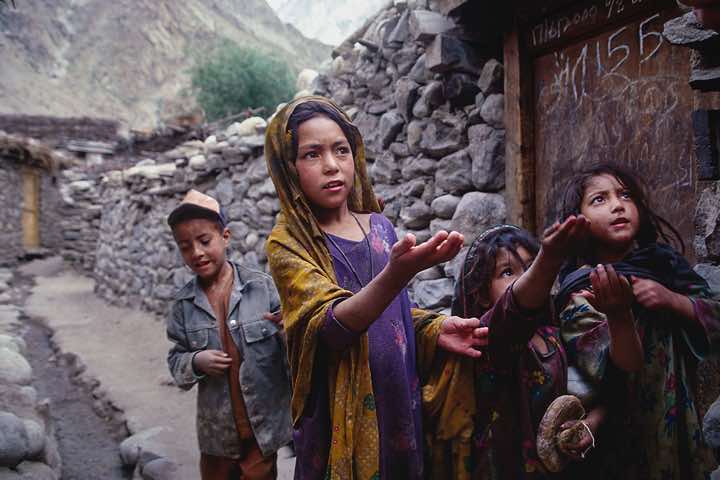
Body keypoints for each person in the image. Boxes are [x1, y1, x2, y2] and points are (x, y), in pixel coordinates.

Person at [264, 96, 488, 479]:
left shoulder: (380, 227)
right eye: (312, 155)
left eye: (341, 150)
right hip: (337, 416)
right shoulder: (289, 243)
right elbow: (331, 327)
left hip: (399, 398)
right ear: (287, 167)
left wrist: (433, 329)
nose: (332, 165)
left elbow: (395, 314)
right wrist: (396, 275)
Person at [555, 163, 720, 479]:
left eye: (625, 195)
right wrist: (618, 314)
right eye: (599, 199)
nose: (617, 205)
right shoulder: (580, 290)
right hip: (619, 434)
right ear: (579, 222)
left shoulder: (665, 268)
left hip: (678, 420)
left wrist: (673, 300)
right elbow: (606, 371)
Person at [446, 219, 602, 479]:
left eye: (530, 267)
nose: (524, 277)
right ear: (483, 295)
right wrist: (548, 259)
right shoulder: (486, 338)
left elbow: (604, 386)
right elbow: (513, 310)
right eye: (507, 272)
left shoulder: (553, 333)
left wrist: (589, 423)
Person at [165, 190, 292, 479]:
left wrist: (289, 332)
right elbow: (176, 361)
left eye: (204, 241)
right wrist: (196, 361)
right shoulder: (184, 305)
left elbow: (293, 354)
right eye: (185, 246)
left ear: (225, 236)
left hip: (262, 427)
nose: (196, 252)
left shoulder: (263, 288)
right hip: (216, 432)